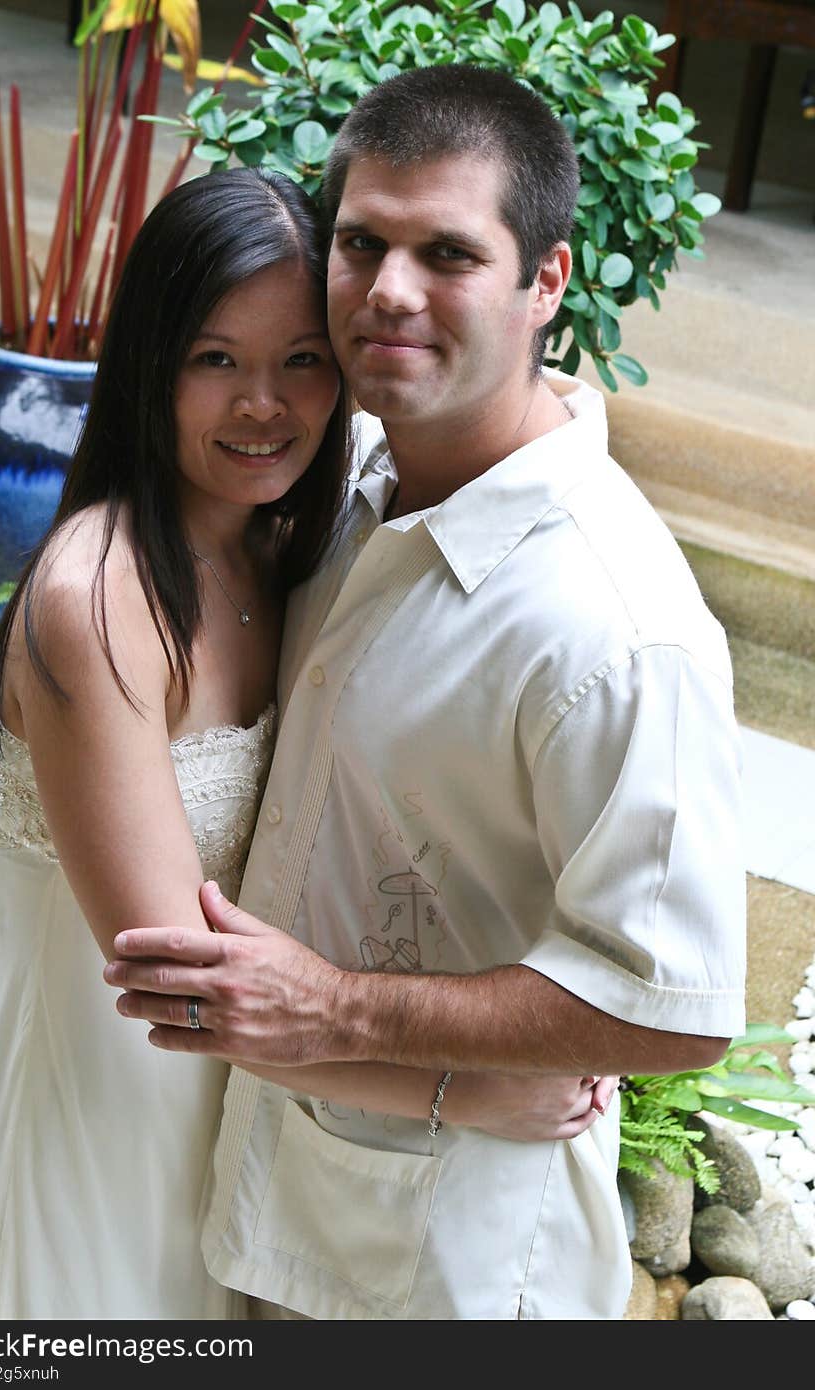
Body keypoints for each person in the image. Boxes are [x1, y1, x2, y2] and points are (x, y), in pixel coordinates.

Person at [107, 65, 748, 1322]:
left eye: (448, 252)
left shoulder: (615, 629)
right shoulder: (337, 480)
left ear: (545, 282)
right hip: (258, 1208)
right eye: (362, 241)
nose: (388, 291)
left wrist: (334, 1007)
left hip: (444, 1268)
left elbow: (673, 1009)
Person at [0, 164, 613, 1322]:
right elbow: (175, 990)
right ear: (150, 363)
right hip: (98, 1120)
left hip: (246, 1117)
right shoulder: (99, 602)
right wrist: (462, 1088)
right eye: (216, 361)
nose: (265, 405)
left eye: (302, 359)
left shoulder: (290, 545)